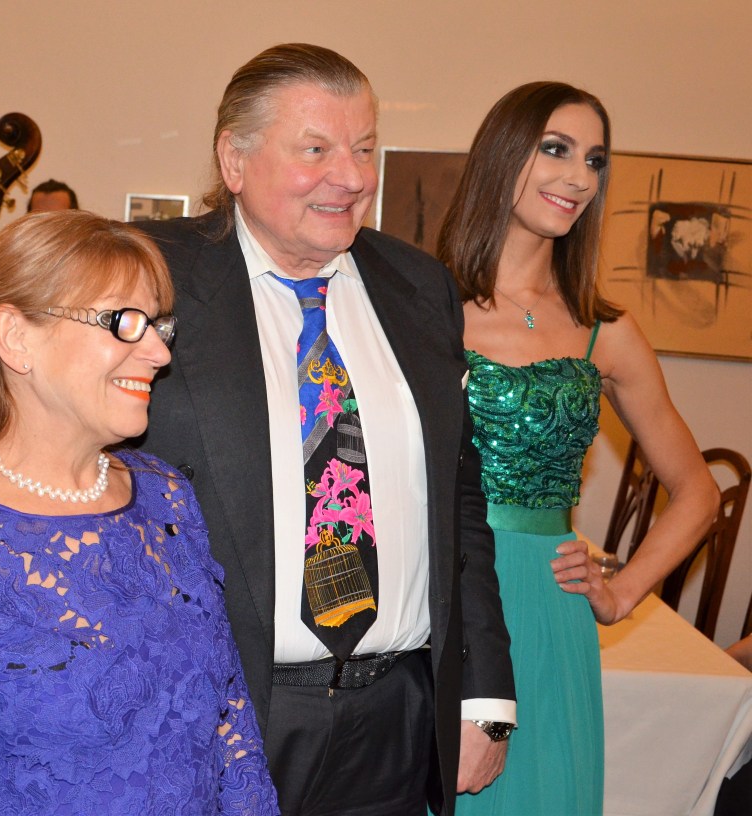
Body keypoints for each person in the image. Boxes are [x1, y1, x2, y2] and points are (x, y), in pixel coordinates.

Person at [134, 44, 514, 815]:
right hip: (213, 715)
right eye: (316, 150)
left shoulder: (420, 287)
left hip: (396, 719)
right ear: (233, 160)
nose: (352, 177)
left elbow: (459, 500)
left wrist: (484, 695)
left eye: (364, 148)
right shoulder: (150, 279)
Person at [0, 210, 277, 814]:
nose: (158, 353)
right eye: (124, 322)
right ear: (16, 338)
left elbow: (230, 720)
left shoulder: (165, 496)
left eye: (158, 325)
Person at [437, 81, 719, 815]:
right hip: (441, 597)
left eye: (594, 160)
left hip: (549, 607)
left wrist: (621, 594)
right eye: (556, 149)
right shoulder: (424, 305)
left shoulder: (606, 331)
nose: (579, 177)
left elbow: (699, 492)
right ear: (504, 153)